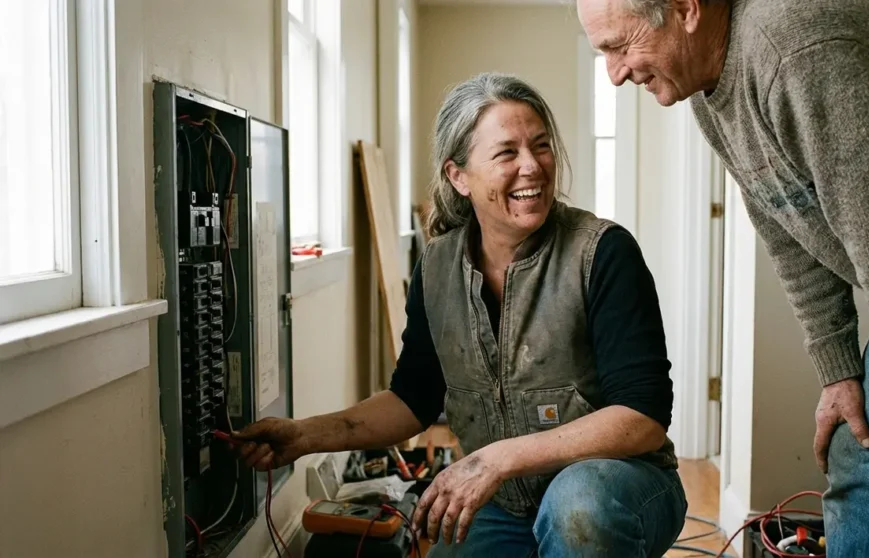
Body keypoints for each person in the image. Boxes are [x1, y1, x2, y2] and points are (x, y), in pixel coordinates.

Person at [577, 0, 869, 555]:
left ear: (686, 8)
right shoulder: (710, 90)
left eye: (620, 46)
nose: (615, 74)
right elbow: (788, 228)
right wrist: (838, 371)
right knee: (859, 466)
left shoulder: (798, 52)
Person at [231, 72, 687, 557]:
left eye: (541, 146)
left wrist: (498, 460)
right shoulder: (437, 267)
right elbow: (412, 399)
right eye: (507, 153)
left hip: (622, 487)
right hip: (509, 505)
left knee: (579, 508)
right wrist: (303, 435)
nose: (532, 166)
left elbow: (643, 418)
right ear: (459, 176)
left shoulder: (602, 253)